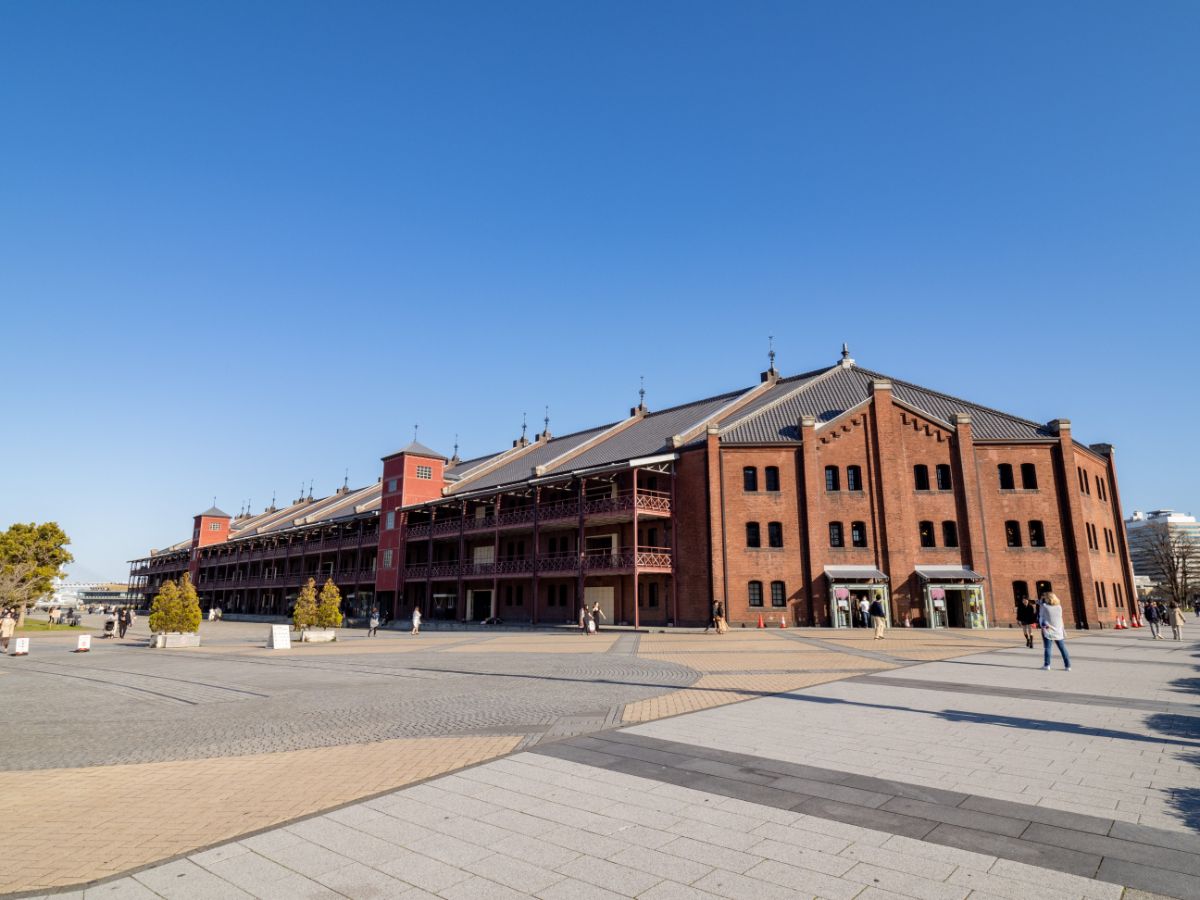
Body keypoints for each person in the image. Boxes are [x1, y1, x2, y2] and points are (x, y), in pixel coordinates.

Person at [1037, 592, 1071, 671]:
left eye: (1045, 597)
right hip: (1058, 629)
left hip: (1048, 629)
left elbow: (1041, 616)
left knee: (1048, 648)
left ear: (1047, 598)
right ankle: (1068, 666)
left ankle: (1047, 665)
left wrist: (1042, 625)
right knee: (1062, 648)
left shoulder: (1044, 606)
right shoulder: (1059, 607)